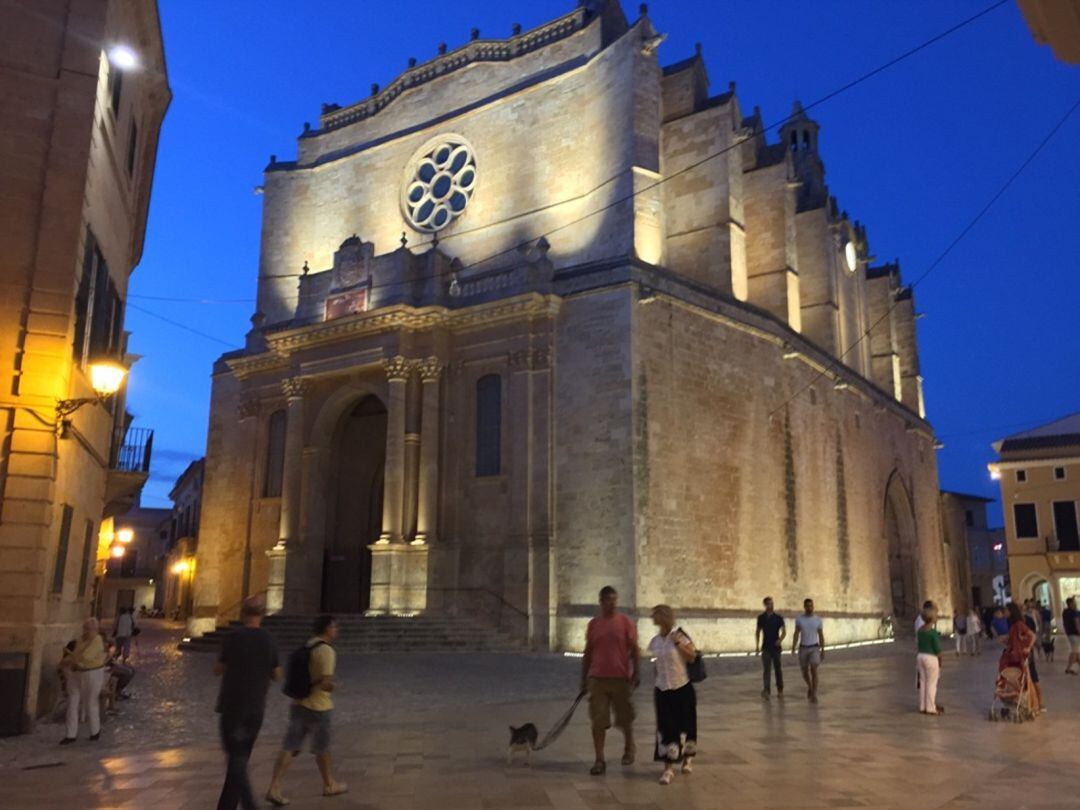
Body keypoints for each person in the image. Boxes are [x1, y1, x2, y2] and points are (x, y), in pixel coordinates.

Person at [266, 615, 347, 805]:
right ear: (327, 629)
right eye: (334, 627)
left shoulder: (308, 645)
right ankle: (330, 784)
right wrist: (335, 686)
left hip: (299, 703)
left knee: (290, 746)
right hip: (319, 706)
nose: (336, 630)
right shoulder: (326, 651)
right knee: (322, 747)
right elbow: (326, 681)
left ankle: (274, 786)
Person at [215, 596, 280, 810]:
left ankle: (250, 806)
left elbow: (218, 668)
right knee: (239, 758)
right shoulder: (269, 639)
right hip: (255, 709)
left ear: (242, 614)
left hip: (232, 706)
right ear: (262, 614)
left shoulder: (233, 637)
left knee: (236, 760)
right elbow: (277, 674)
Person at [580, 585, 640, 776]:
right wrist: (583, 678)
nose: (612, 603)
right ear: (601, 602)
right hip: (598, 679)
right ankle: (599, 759)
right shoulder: (594, 624)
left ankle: (629, 746)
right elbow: (588, 652)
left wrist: (636, 672)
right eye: (608, 600)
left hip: (620, 677)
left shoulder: (625, 622)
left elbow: (635, 649)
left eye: (614, 599)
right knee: (598, 720)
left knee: (624, 718)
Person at [647, 605, 697, 786]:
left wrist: (677, 644)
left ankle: (687, 758)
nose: (652, 617)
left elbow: (692, 656)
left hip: (681, 686)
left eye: (655, 614)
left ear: (663, 616)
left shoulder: (679, 636)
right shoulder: (655, 641)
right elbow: (656, 663)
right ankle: (667, 768)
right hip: (662, 689)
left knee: (685, 725)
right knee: (665, 727)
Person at [59, 618, 108, 744]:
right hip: (77, 672)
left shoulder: (97, 640)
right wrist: (71, 659)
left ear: (95, 630)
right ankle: (70, 735)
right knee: (72, 702)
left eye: (88, 629)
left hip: (92, 673)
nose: (85, 631)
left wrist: (73, 657)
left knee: (90, 702)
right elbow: (76, 655)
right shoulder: (81, 640)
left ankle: (95, 731)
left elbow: (86, 657)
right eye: (84, 628)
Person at [791, 598, 825, 703]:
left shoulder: (818, 620)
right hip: (803, 648)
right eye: (807, 606)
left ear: (813, 607)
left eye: (811, 606)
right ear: (804, 607)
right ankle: (810, 686)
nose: (809, 608)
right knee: (804, 672)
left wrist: (823, 649)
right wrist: (793, 646)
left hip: (814, 647)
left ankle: (814, 694)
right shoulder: (799, 619)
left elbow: (820, 634)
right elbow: (796, 633)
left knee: (814, 669)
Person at [755, 596, 786, 700]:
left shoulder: (778, 618)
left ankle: (780, 689)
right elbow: (758, 631)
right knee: (766, 670)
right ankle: (767, 690)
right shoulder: (761, 618)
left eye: (772, 603)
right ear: (765, 605)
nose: (771, 605)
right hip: (766, 647)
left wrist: (780, 640)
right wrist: (757, 645)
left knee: (778, 669)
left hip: (776, 647)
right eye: (768, 604)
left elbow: (784, 631)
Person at [916, 605, 943, 715]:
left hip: (920, 656)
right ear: (932, 618)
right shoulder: (932, 633)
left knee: (923, 682)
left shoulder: (920, 630)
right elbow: (938, 650)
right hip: (931, 657)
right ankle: (931, 708)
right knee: (932, 683)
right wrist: (940, 662)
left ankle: (923, 706)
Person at [1021, 606, 1045, 714]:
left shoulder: (1027, 621)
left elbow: (1033, 635)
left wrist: (1029, 648)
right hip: (1019, 654)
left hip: (1027, 653)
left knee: (1034, 678)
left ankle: (1040, 703)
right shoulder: (1014, 622)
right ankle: (1027, 703)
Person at [1062, 596, 1080, 675]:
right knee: (1074, 651)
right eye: (1074, 602)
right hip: (1075, 634)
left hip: (1069, 633)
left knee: (1076, 651)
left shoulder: (1065, 612)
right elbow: (1077, 623)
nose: (1075, 603)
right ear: (1071, 603)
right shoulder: (1075, 612)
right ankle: (1068, 668)